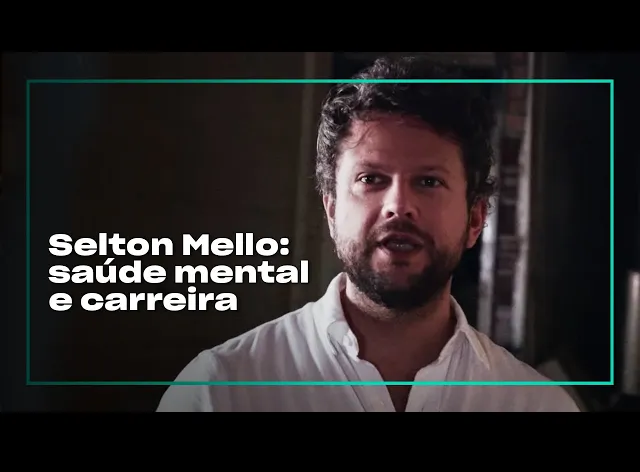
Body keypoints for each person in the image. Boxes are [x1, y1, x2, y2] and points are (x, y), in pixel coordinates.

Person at [157, 56, 580, 412]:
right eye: (371, 179)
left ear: (475, 219)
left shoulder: (537, 405)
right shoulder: (219, 391)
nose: (399, 205)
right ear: (331, 209)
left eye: (429, 181)